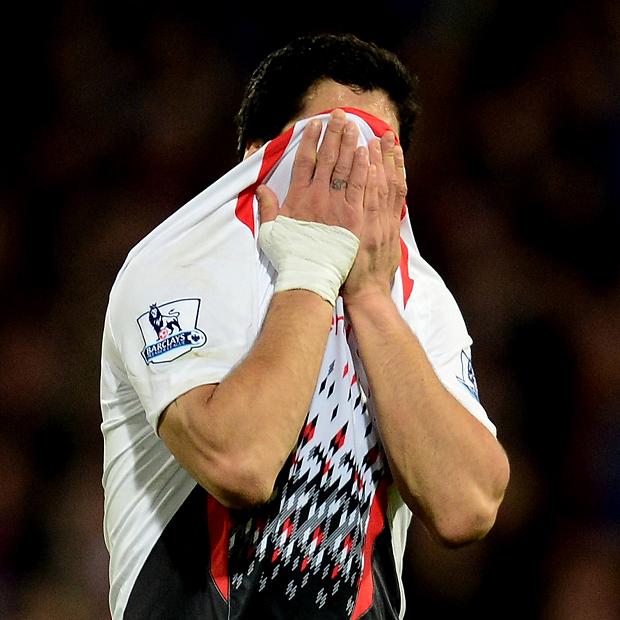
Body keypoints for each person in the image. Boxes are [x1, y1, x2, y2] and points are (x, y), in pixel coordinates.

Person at [100, 33, 510, 619]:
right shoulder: (178, 265)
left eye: (373, 155)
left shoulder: (419, 299)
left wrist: (369, 297)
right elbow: (239, 462)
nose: (350, 173)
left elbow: (467, 505)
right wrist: (313, 270)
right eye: (327, 146)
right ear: (257, 156)